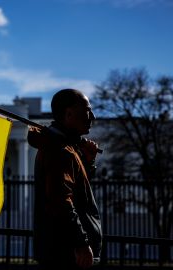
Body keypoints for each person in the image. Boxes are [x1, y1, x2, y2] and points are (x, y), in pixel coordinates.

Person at [28, 89, 102, 269]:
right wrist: (81, 243)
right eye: (87, 110)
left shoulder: (64, 148)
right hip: (67, 255)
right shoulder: (61, 151)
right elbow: (61, 200)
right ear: (68, 114)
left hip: (62, 252)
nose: (92, 116)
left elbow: (77, 193)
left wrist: (87, 162)